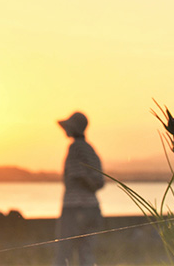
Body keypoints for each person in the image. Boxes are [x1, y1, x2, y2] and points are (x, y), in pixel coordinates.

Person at [54, 111, 104, 266]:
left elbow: (77, 174)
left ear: (73, 128)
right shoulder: (90, 149)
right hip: (93, 208)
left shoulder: (75, 148)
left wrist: (83, 179)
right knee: (86, 253)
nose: (65, 130)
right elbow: (100, 181)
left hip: (74, 208)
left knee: (64, 252)